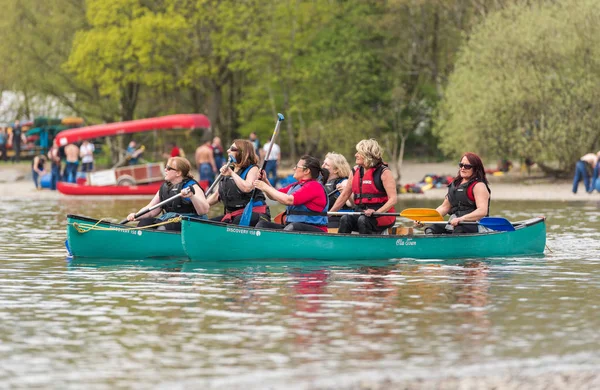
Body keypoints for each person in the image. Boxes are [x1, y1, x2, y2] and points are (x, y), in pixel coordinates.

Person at [330, 139, 397, 235]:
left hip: (382, 214)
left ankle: (366, 247)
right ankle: (342, 247)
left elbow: (393, 199)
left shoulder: (384, 172)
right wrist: (330, 214)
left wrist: (376, 212)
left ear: (368, 155)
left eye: (359, 153)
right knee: (345, 218)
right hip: (361, 212)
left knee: (363, 220)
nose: (355, 155)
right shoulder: (355, 171)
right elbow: (344, 195)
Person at [126, 157, 209, 231]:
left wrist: (192, 196)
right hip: (169, 219)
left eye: (169, 168)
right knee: (144, 223)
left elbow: (204, 210)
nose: (165, 170)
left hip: (189, 223)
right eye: (166, 167)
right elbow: (151, 210)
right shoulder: (165, 187)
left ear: (178, 173)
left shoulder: (191, 186)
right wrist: (136, 216)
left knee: (164, 227)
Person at [254, 155, 329, 232]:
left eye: (297, 167)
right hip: (293, 227)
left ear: (306, 171)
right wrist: (265, 181)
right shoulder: (296, 185)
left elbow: (289, 200)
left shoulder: (314, 186)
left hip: (313, 229)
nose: (294, 169)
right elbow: (274, 195)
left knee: (293, 227)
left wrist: (265, 187)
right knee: (262, 225)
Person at [206, 139, 271, 226]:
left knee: (236, 221)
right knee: (209, 224)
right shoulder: (230, 170)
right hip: (233, 215)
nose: (228, 151)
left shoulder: (253, 169)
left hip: (254, 213)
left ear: (242, 152)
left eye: (232, 148)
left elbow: (247, 188)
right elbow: (217, 195)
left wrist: (232, 174)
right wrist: (203, 204)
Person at [424, 152, 491, 234]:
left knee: (459, 228)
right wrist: (424, 220)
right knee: (433, 228)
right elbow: (444, 207)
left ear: (476, 169)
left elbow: (482, 211)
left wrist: (461, 219)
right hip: (457, 223)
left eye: (467, 166)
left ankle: (455, 245)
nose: (463, 168)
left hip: (476, 225)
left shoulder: (479, 186)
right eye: (461, 165)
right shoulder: (455, 185)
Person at [321, 152, 353, 228]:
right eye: (323, 163)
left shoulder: (344, 183)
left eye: (326, 165)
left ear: (336, 170)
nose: (322, 166)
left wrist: (345, 193)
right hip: (324, 218)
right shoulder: (321, 182)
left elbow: (351, 204)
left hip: (338, 220)